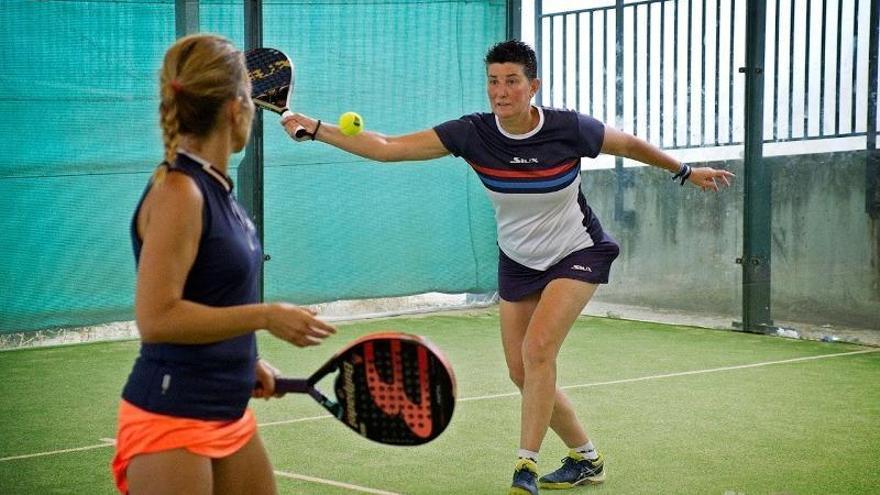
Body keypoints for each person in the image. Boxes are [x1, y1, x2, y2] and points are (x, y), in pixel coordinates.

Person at [281, 40, 733, 495]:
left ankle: (525, 467)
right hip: (518, 259)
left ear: (533, 86)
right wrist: (317, 128)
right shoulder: (472, 133)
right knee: (520, 371)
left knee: (538, 352)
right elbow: (387, 147)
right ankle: (586, 458)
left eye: (512, 81)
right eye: (493, 82)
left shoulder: (568, 129)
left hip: (577, 249)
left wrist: (685, 170)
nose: (500, 92)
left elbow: (630, 144)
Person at [111, 34, 336, 495]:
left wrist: (244, 360)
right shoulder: (180, 192)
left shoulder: (216, 187)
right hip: (171, 415)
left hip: (228, 405)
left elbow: (210, 294)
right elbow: (157, 318)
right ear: (237, 109)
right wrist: (266, 316)